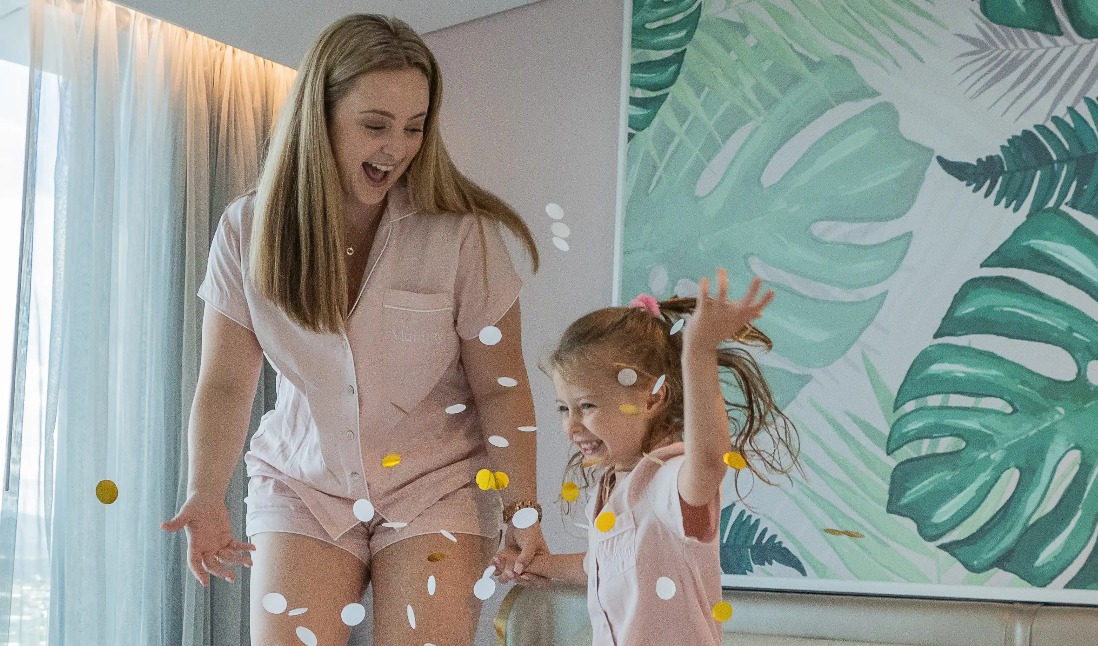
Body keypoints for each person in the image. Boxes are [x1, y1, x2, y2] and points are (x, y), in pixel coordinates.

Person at [159, 13, 548, 646]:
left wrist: (522, 505)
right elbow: (228, 382)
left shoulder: (463, 236)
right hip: (304, 482)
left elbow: (500, 389)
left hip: (437, 483)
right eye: (375, 125)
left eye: (414, 128)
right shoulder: (245, 230)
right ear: (321, 114)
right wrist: (205, 490)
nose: (396, 148)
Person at [496, 269, 799, 645]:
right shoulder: (610, 488)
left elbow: (709, 460)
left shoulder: (666, 480)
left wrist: (699, 351)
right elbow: (601, 565)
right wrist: (534, 565)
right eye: (563, 408)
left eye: (587, 405)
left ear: (652, 398)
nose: (570, 426)